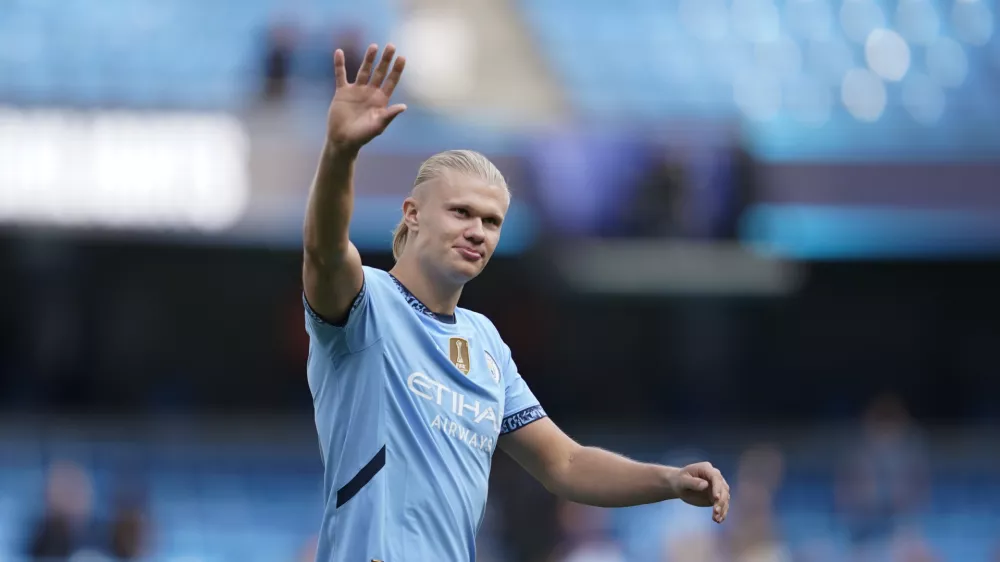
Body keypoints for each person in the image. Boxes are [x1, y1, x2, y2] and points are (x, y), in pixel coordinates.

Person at [301, 43, 731, 562]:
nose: (477, 231)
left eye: (491, 221)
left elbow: (565, 464)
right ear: (412, 214)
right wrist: (340, 152)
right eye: (461, 212)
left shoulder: (485, 344)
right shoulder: (365, 306)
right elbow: (324, 252)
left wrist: (667, 480)